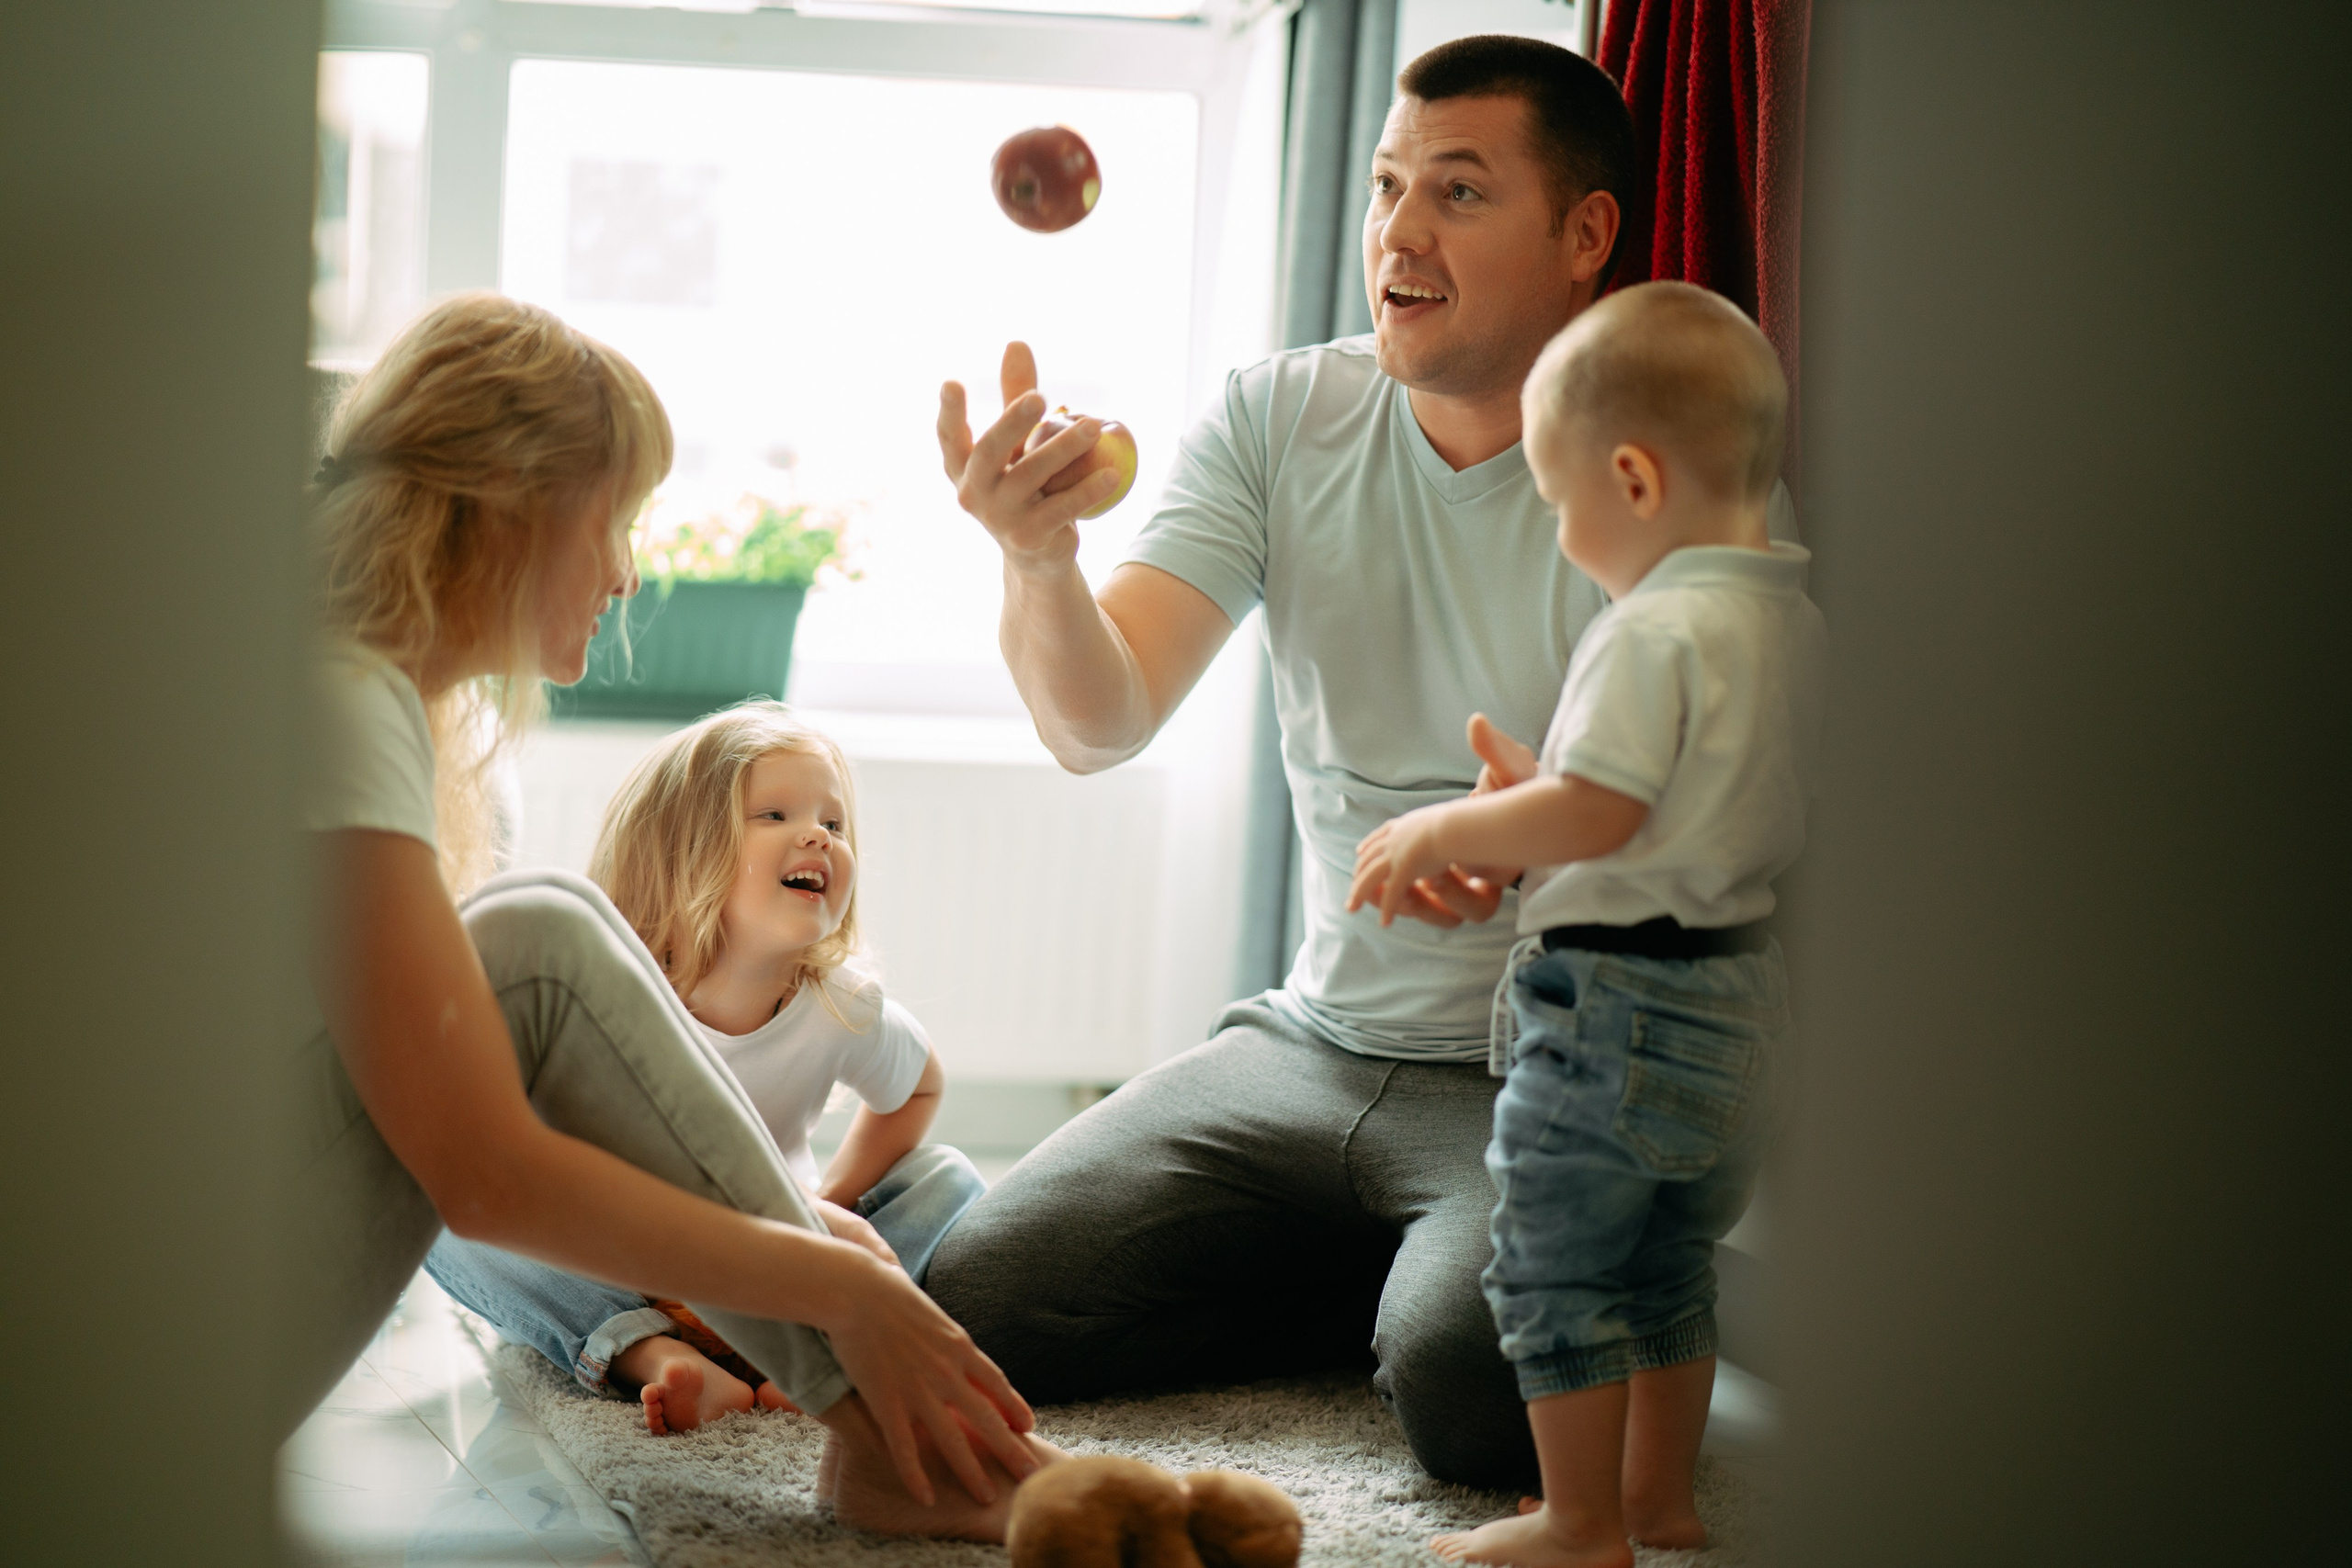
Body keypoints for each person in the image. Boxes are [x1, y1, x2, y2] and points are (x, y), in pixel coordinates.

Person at [928, 35, 1789, 1489]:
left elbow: (1762, 819)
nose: (1397, 230)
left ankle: (1514, 1282)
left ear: (1587, 233)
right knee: (984, 1302)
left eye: (1459, 191)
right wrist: (1038, 560)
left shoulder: (1680, 469)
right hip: (1309, 1047)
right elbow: (1098, 720)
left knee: (1474, 1396)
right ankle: (1408, 1274)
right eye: (1389, 185)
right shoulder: (1278, 417)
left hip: (1546, 1068)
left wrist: (1542, 843)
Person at [291, 291, 1050, 1540]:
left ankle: (861, 1425)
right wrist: (844, 1288)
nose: (628, 571)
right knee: (542, 940)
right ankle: (870, 1429)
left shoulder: (349, 692)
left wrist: (829, 1252)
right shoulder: (339, 699)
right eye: (618, 521)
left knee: (538, 931)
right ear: (514, 504)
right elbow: (482, 1175)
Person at [1350, 285, 1823, 1565]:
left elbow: (1604, 811)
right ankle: (1658, 1501)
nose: (1562, 537)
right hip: (1739, 996)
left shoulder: (1649, 626)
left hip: (1617, 1005)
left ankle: (1578, 1520)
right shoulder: (1794, 624)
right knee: (1671, 1263)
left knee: (1553, 1260)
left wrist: (1448, 831)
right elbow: (1691, 811)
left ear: (1632, 479)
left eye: (1561, 506)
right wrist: (1541, 801)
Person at [424, 701, 989, 1437]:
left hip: (785, 1277)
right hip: (633, 1267)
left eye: (834, 821)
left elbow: (920, 1086)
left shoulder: (840, 1005)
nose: (818, 835)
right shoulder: (608, 995)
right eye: (775, 814)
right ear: (676, 851)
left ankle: (813, 1357)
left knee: (947, 1176)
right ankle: (647, 1351)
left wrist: (830, 1202)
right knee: (441, 1218)